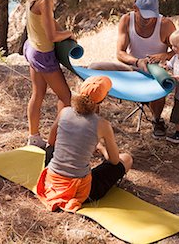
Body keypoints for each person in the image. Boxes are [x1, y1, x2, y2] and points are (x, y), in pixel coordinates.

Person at [36, 76, 133, 213]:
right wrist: (102, 149)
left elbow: (51, 143)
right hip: (80, 190)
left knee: (51, 149)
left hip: (51, 181)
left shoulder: (64, 112)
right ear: (103, 99)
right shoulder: (103, 125)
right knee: (126, 159)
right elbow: (114, 160)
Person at [90, 0, 176, 139]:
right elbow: (120, 53)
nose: (147, 20)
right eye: (144, 15)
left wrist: (164, 56)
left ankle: (157, 120)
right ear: (135, 8)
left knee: (161, 81)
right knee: (94, 68)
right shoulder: (126, 20)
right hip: (132, 68)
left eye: (151, 16)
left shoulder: (165, 24)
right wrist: (137, 62)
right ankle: (92, 119)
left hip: (155, 73)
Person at [23, 0, 75, 148]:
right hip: (43, 54)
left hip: (32, 48)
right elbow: (52, 35)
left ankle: (33, 137)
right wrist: (69, 33)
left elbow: (49, 25)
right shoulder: (45, 1)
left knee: (37, 95)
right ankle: (57, 138)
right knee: (66, 98)